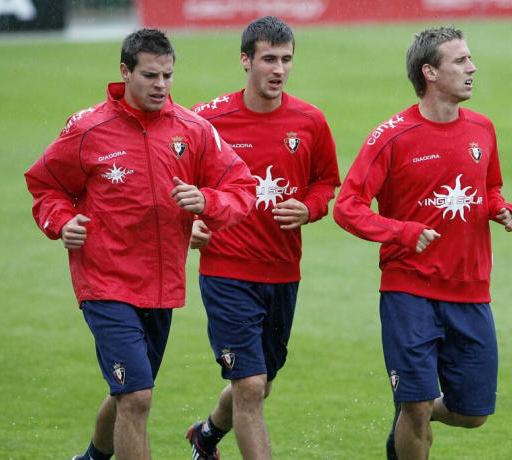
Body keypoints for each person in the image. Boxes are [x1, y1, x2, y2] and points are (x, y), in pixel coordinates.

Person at [24, 29, 256, 460]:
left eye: (168, 75)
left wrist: (207, 201)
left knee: (129, 390)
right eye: (150, 75)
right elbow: (46, 186)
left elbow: (241, 187)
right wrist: (60, 221)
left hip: (161, 287)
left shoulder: (194, 129)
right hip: (104, 283)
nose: (161, 85)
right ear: (124, 71)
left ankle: (93, 457)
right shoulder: (88, 129)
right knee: (137, 397)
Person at [333, 27, 512, 460]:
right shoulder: (392, 136)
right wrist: (402, 231)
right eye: (460, 61)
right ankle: (411, 415)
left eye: (469, 59)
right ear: (430, 72)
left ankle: (409, 420)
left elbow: (490, 188)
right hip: (408, 289)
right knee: (415, 403)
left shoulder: (483, 130)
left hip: (470, 290)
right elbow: (348, 206)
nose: (472, 68)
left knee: (473, 413)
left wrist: (500, 207)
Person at [185, 16, 340, 460]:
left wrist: (310, 207)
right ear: (245, 60)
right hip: (226, 269)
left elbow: (327, 181)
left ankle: (207, 434)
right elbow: (171, 183)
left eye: (286, 59)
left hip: (282, 271)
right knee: (250, 385)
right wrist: (188, 223)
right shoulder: (206, 120)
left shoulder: (310, 121)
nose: (278, 69)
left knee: (260, 384)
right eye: (269, 59)